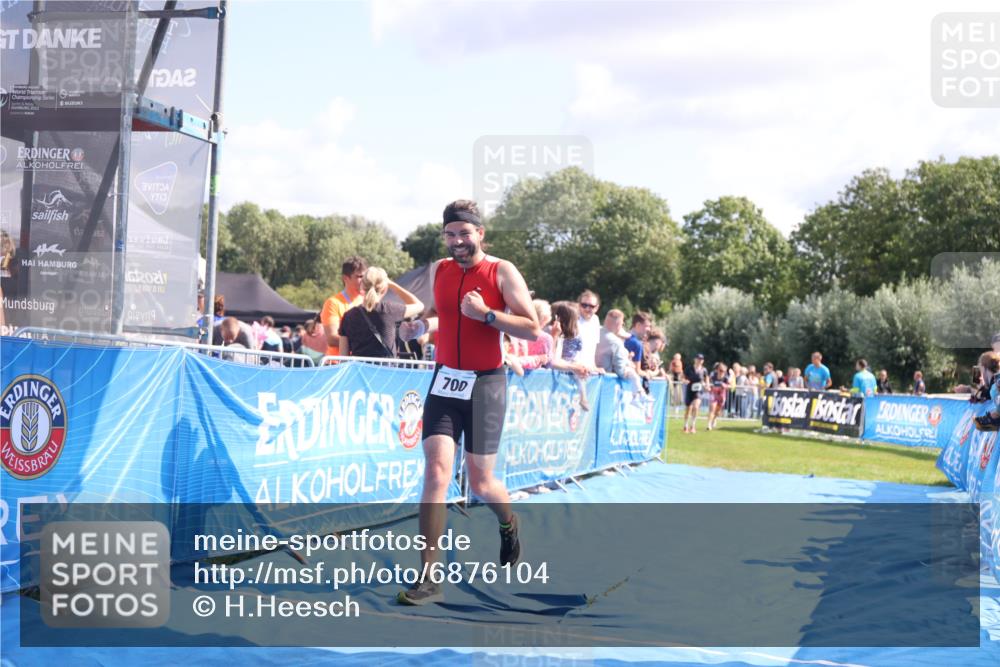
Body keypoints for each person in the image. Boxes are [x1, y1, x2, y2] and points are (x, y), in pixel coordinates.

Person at [396, 200, 539, 605]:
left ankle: (509, 523)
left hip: (485, 385)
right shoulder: (440, 270)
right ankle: (429, 576)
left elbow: (532, 327)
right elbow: (447, 315)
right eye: (451, 234)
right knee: (437, 472)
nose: (458, 241)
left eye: (465, 233)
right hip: (445, 382)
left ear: (480, 234)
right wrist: (420, 325)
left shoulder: (501, 270)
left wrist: (488, 315)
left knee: (480, 482)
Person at [339, 267, 423, 359]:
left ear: (362, 286)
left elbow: (343, 357)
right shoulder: (390, 310)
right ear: (384, 289)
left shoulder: (348, 316)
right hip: (386, 371)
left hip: (359, 371)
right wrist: (392, 284)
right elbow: (419, 305)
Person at [320, 256, 367, 358]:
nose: (364, 280)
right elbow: (332, 339)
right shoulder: (333, 303)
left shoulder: (368, 300)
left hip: (361, 365)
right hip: (337, 365)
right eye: (359, 277)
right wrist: (363, 343)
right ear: (345, 278)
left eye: (365, 276)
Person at [595, 309, 645, 399]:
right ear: (618, 324)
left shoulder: (594, 331)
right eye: (622, 323)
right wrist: (630, 368)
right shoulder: (615, 341)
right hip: (606, 387)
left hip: (591, 382)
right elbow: (620, 371)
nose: (622, 326)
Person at [973, 351, 1000, 431]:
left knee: (994, 390)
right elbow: (986, 393)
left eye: (980, 369)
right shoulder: (994, 382)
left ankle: (995, 418)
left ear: (984, 368)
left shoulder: (995, 385)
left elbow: (988, 393)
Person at [682, 353, 709, 434]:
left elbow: (706, 378)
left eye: (701, 359)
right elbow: (682, 376)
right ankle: (685, 425)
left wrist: (707, 385)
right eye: (698, 359)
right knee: (688, 409)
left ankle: (693, 426)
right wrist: (684, 380)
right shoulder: (689, 368)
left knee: (696, 407)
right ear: (695, 359)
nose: (699, 361)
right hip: (690, 390)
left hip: (698, 390)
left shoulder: (704, 370)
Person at [576, 289, 601, 368]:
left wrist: (594, 367)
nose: (587, 308)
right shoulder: (573, 320)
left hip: (588, 369)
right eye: (584, 305)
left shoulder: (595, 320)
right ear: (579, 305)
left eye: (591, 306)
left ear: (596, 308)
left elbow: (593, 349)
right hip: (573, 368)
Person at [624, 311, 652, 376]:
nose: (649, 329)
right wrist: (648, 374)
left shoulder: (624, 338)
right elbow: (637, 371)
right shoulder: (636, 343)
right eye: (647, 326)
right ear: (638, 325)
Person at [707, 362, 729, 430]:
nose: (721, 372)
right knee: (712, 409)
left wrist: (726, 386)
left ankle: (714, 419)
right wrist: (708, 385)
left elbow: (730, 386)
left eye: (723, 371)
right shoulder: (714, 375)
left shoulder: (726, 377)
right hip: (714, 394)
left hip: (722, 396)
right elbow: (708, 378)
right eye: (720, 370)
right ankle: (709, 424)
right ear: (717, 369)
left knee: (718, 411)